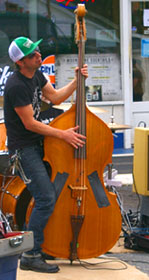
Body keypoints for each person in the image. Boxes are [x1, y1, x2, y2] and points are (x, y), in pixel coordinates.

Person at [4, 37, 88, 273]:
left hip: (39, 145)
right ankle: (31, 254)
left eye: (38, 51)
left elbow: (55, 98)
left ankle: (42, 245)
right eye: (32, 55)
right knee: (46, 198)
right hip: (24, 149)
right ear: (21, 62)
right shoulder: (17, 85)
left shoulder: (37, 76)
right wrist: (63, 135)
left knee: (53, 194)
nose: (39, 56)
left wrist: (77, 80)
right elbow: (30, 123)